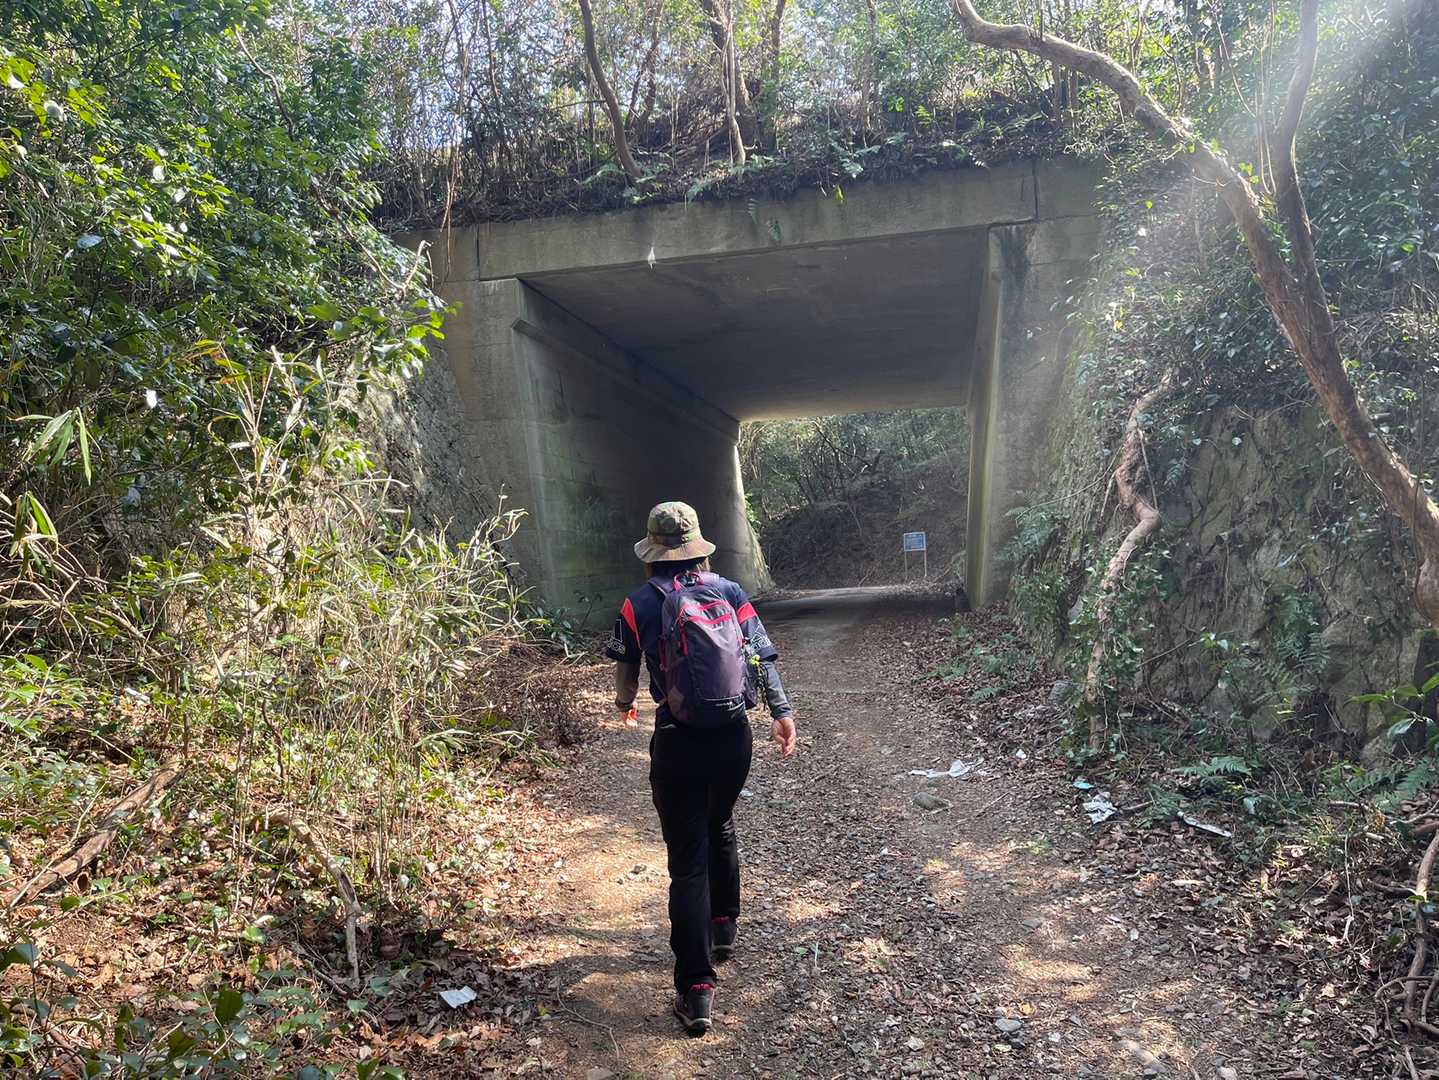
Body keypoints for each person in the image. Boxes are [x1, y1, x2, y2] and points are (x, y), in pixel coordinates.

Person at [604, 501, 798, 1036]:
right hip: (733, 737)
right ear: (697, 545)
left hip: (678, 740)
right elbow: (759, 655)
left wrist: (624, 704)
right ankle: (724, 925)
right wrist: (781, 713)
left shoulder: (639, 602)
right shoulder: (729, 591)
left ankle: (696, 990)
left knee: (688, 863)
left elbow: (626, 668)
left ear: (652, 550)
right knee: (721, 822)